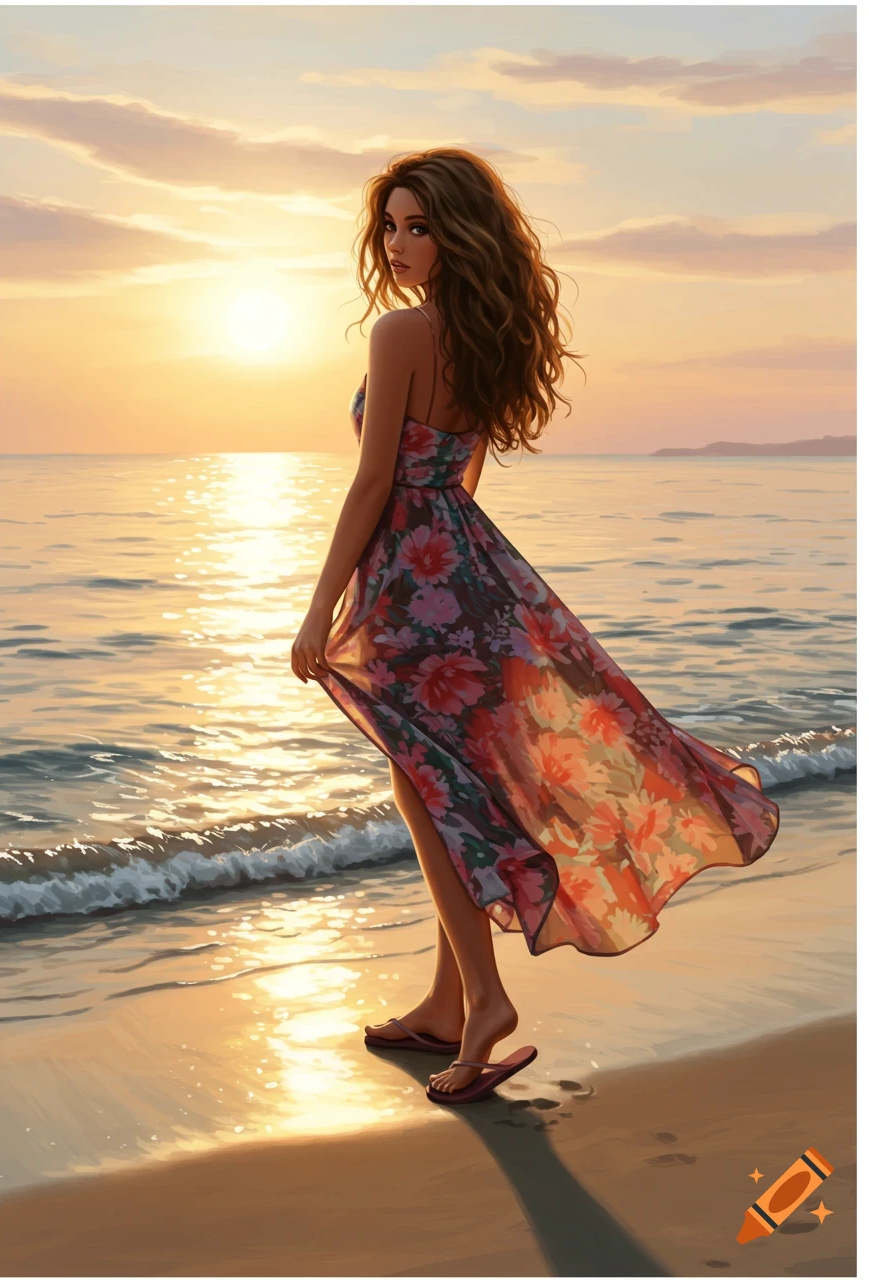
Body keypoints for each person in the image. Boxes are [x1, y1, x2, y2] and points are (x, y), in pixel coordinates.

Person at [291, 147, 780, 1105]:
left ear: (458, 233)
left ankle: (482, 1001)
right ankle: (445, 1001)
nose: (397, 244)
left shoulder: (400, 337)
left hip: (409, 583)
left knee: (427, 789)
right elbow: (455, 477)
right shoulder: (489, 339)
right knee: (449, 783)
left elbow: (375, 480)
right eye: (389, 225)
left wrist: (322, 605)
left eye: (418, 226)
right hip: (472, 571)